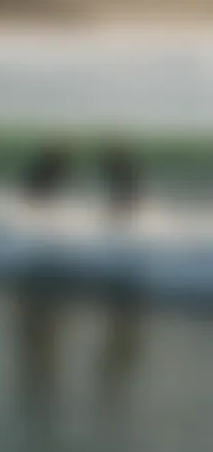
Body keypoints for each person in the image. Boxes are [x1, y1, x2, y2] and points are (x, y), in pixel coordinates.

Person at [14, 142, 73, 436]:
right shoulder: (50, 163)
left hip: (39, 191)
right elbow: (39, 180)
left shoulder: (51, 163)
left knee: (38, 336)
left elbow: (40, 181)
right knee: (39, 336)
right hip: (39, 191)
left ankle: (39, 225)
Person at [97, 142, 143, 431]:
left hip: (125, 193)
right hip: (125, 193)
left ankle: (121, 228)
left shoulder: (121, 168)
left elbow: (126, 184)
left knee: (120, 207)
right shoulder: (122, 167)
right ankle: (120, 227)